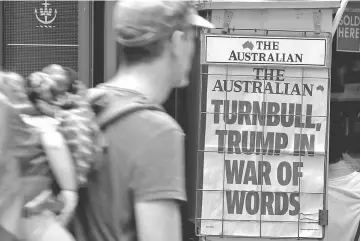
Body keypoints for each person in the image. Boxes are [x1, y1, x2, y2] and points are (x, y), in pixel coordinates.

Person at [71, 1, 214, 241]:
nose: (194, 47)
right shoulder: (157, 131)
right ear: (178, 42)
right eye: (193, 37)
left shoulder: (86, 104)